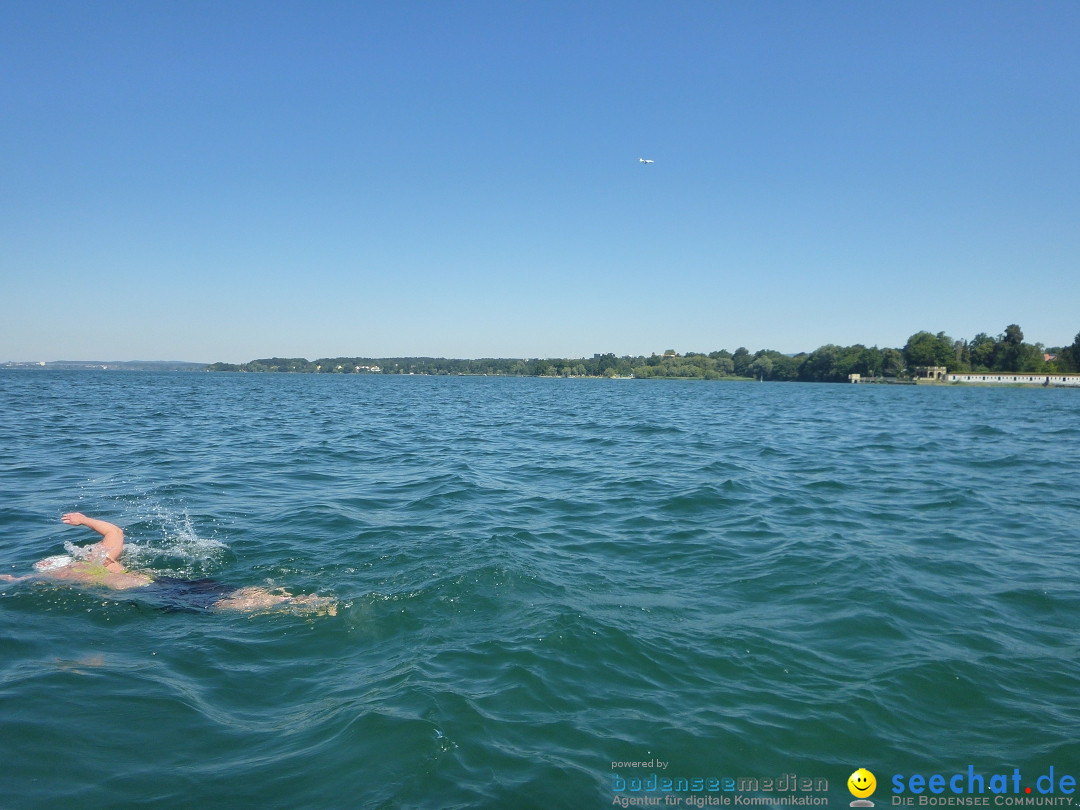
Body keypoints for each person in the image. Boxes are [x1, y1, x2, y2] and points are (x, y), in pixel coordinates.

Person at [1, 513, 336, 615]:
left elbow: (22, 581)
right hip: (160, 580)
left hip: (152, 593)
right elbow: (115, 531)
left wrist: (11, 578)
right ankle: (290, 598)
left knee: (217, 605)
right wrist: (84, 519)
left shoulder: (68, 573)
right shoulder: (101, 558)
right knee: (223, 592)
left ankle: (288, 606)